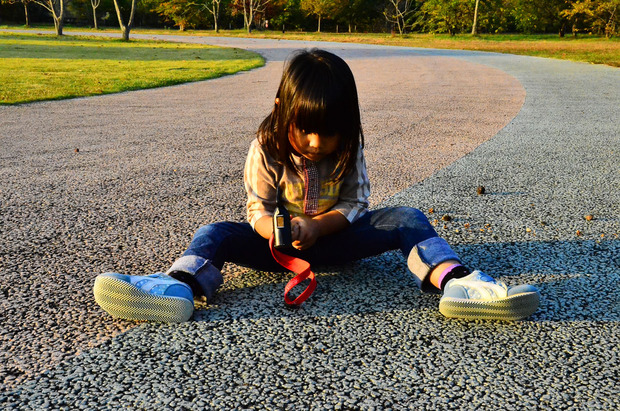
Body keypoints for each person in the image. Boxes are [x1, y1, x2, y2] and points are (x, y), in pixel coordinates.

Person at [93, 49, 540, 323]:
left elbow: (357, 202)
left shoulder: (347, 148)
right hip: (276, 248)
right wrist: (275, 230)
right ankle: (178, 286)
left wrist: (319, 227)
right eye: (305, 130)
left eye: (330, 133)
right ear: (281, 109)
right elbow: (257, 208)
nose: (315, 143)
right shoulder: (265, 148)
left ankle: (458, 283)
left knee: (407, 217)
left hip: (338, 240)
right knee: (216, 232)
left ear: (348, 125)